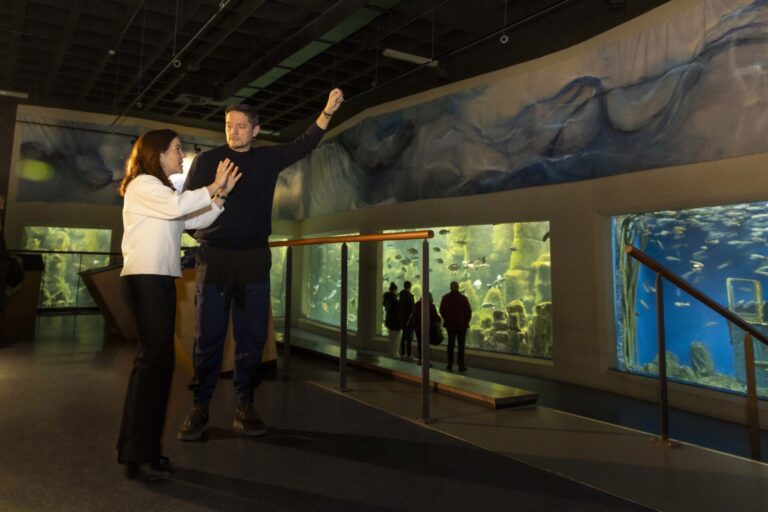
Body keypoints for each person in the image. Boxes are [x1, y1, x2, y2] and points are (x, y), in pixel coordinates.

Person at [178, 89, 344, 441]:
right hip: (214, 259)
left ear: (256, 130)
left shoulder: (267, 159)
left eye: (241, 126)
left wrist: (327, 112)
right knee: (207, 337)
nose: (234, 131)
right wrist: (208, 224)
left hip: (253, 259)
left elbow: (304, 144)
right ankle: (200, 406)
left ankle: (245, 403)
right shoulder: (206, 161)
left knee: (251, 338)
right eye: (229, 125)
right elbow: (186, 211)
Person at [117, 129, 241, 480]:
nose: (181, 155)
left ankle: (144, 450)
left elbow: (192, 220)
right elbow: (179, 207)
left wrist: (220, 196)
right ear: (157, 154)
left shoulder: (163, 192)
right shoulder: (143, 185)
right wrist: (214, 183)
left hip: (159, 281)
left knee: (160, 365)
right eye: (176, 149)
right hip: (144, 280)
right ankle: (136, 454)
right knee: (152, 364)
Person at [439, 281, 472, 372]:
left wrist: (447, 319)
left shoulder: (445, 298)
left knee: (450, 345)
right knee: (461, 346)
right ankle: (461, 365)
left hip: (450, 325)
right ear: (458, 287)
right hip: (462, 325)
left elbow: (441, 310)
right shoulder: (463, 298)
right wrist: (466, 321)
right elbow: (468, 311)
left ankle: (449, 364)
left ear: (450, 287)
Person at [409, 292, 441, 366]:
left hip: (417, 327)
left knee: (420, 343)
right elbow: (436, 317)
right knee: (426, 344)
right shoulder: (431, 305)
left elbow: (413, 314)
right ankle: (426, 361)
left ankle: (420, 359)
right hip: (427, 328)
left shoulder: (417, 304)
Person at [382, 282, 400, 357]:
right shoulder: (394, 299)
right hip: (395, 321)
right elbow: (397, 308)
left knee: (390, 337)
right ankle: (394, 352)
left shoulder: (387, 296)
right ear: (395, 290)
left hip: (388, 319)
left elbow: (384, 304)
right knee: (395, 338)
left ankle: (390, 351)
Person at [398, 280, 415, 360]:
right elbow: (412, 309)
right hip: (409, 320)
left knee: (403, 336)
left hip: (402, 319)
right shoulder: (410, 296)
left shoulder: (401, 295)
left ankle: (403, 353)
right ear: (410, 287)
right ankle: (409, 354)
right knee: (409, 337)